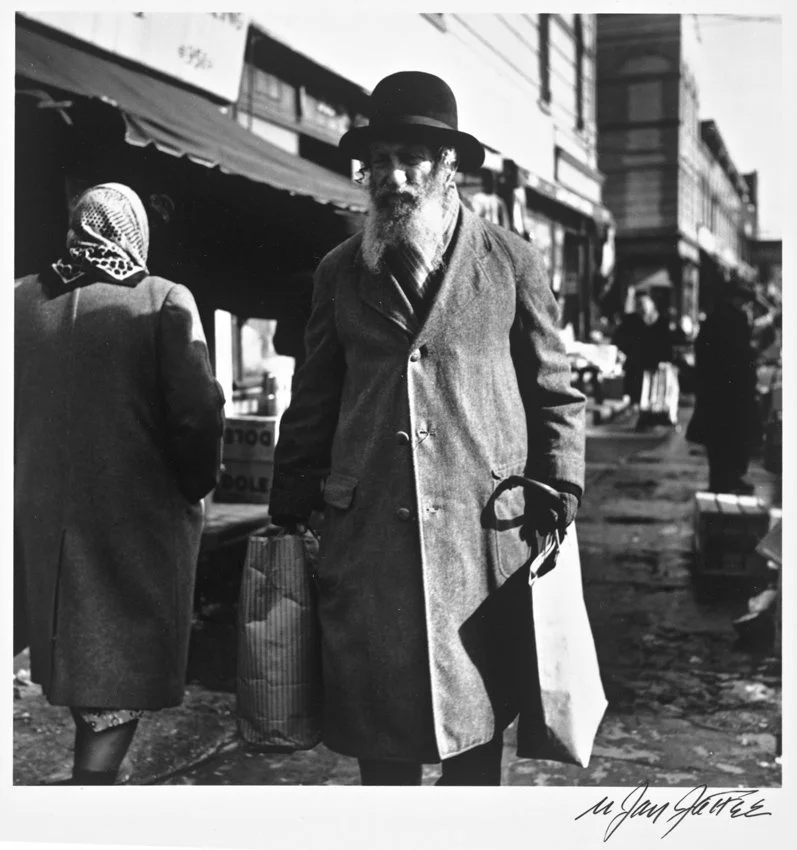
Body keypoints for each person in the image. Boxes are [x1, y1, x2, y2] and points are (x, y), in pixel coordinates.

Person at [268, 72, 586, 786]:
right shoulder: (339, 271)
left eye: (410, 158)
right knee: (383, 748)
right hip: (370, 538)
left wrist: (561, 489)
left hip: (482, 536)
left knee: (475, 739)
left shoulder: (511, 261)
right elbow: (314, 394)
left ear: (448, 166)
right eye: (378, 161)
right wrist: (290, 504)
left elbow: (554, 391)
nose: (392, 176)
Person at [14, 183, 226, 785]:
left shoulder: (19, 299)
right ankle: (91, 794)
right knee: (118, 672)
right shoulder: (162, 301)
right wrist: (193, 487)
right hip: (134, 526)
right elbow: (197, 416)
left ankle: (95, 785)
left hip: (40, 520)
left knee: (80, 659)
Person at [686, 276, 760, 494]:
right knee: (735, 437)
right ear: (737, 299)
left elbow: (702, 353)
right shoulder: (736, 319)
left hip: (714, 391)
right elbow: (742, 356)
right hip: (733, 391)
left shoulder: (712, 319)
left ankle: (720, 481)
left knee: (718, 441)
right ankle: (731, 480)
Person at [613, 289, 674, 405]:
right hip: (635, 371)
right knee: (636, 401)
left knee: (655, 402)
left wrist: (666, 361)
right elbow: (618, 340)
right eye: (637, 305)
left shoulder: (663, 323)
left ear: (652, 303)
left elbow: (668, 348)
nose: (640, 308)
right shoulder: (630, 321)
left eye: (642, 304)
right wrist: (620, 353)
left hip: (655, 370)